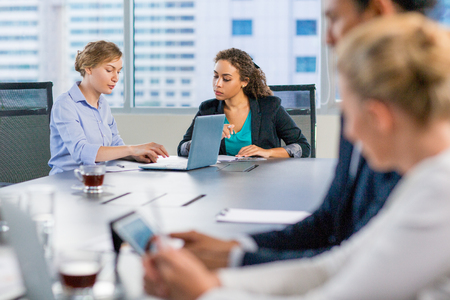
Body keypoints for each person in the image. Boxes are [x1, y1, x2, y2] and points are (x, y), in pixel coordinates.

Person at [144, 13, 450, 299]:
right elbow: (332, 267)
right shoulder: (423, 180)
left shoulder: (440, 191)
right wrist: (220, 276)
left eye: (349, 113)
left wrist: (205, 292)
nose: (350, 135)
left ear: (378, 117)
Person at [49, 41, 168, 174]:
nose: (116, 78)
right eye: (109, 70)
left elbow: (115, 144)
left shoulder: (103, 104)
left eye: (118, 72)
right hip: (68, 181)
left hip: (99, 178)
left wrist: (134, 155)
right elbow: (81, 151)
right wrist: (132, 149)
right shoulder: (65, 104)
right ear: (88, 68)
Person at [177, 48, 310, 158]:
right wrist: (207, 137)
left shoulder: (269, 107)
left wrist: (267, 152)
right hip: (220, 180)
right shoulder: (207, 109)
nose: (218, 84)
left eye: (226, 79)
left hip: (263, 180)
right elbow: (182, 149)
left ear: (244, 82)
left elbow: (302, 147)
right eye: (216, 76)